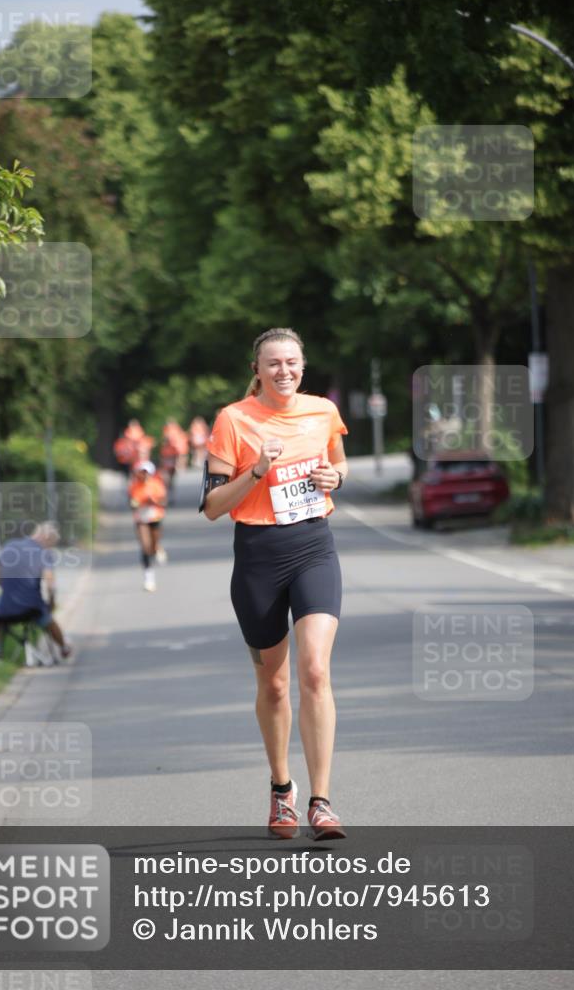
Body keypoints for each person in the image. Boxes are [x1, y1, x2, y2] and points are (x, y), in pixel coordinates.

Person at [201, 327, 348, 840]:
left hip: (314, 547)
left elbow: (337, 461)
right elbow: (213, 508)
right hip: (259, 556)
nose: (284, 371)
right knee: (276, 683)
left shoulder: (322, 411)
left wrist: (337, 478)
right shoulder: (233, 421)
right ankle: (282, 789)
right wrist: (257, 471)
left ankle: (322, 802)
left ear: (302, 366)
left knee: (313, 671)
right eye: (273, 364)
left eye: (292, 362)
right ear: (257, 370)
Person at [0, 522, 72, 660]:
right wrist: (52, 603)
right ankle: (64, 648)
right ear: (46, 538)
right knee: (47, 618)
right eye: (51, 544)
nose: (50, 548)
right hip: (32, 610)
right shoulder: (45, 553)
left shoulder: (10, 545)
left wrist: (10, 587)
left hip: (5, 609)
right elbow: (50, 585)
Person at [128, 460, 168, 591]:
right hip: (141, 518)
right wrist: (140, 503)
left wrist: (154, 501)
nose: (144, 475)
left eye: (146, 472)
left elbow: (163, 501)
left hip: (155, 516)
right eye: (142, 472)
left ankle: (157, 548)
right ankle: (149, 577)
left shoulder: (156, 484)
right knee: (145, 546)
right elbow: (132, 503)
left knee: (153, 545)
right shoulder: (134, 486)